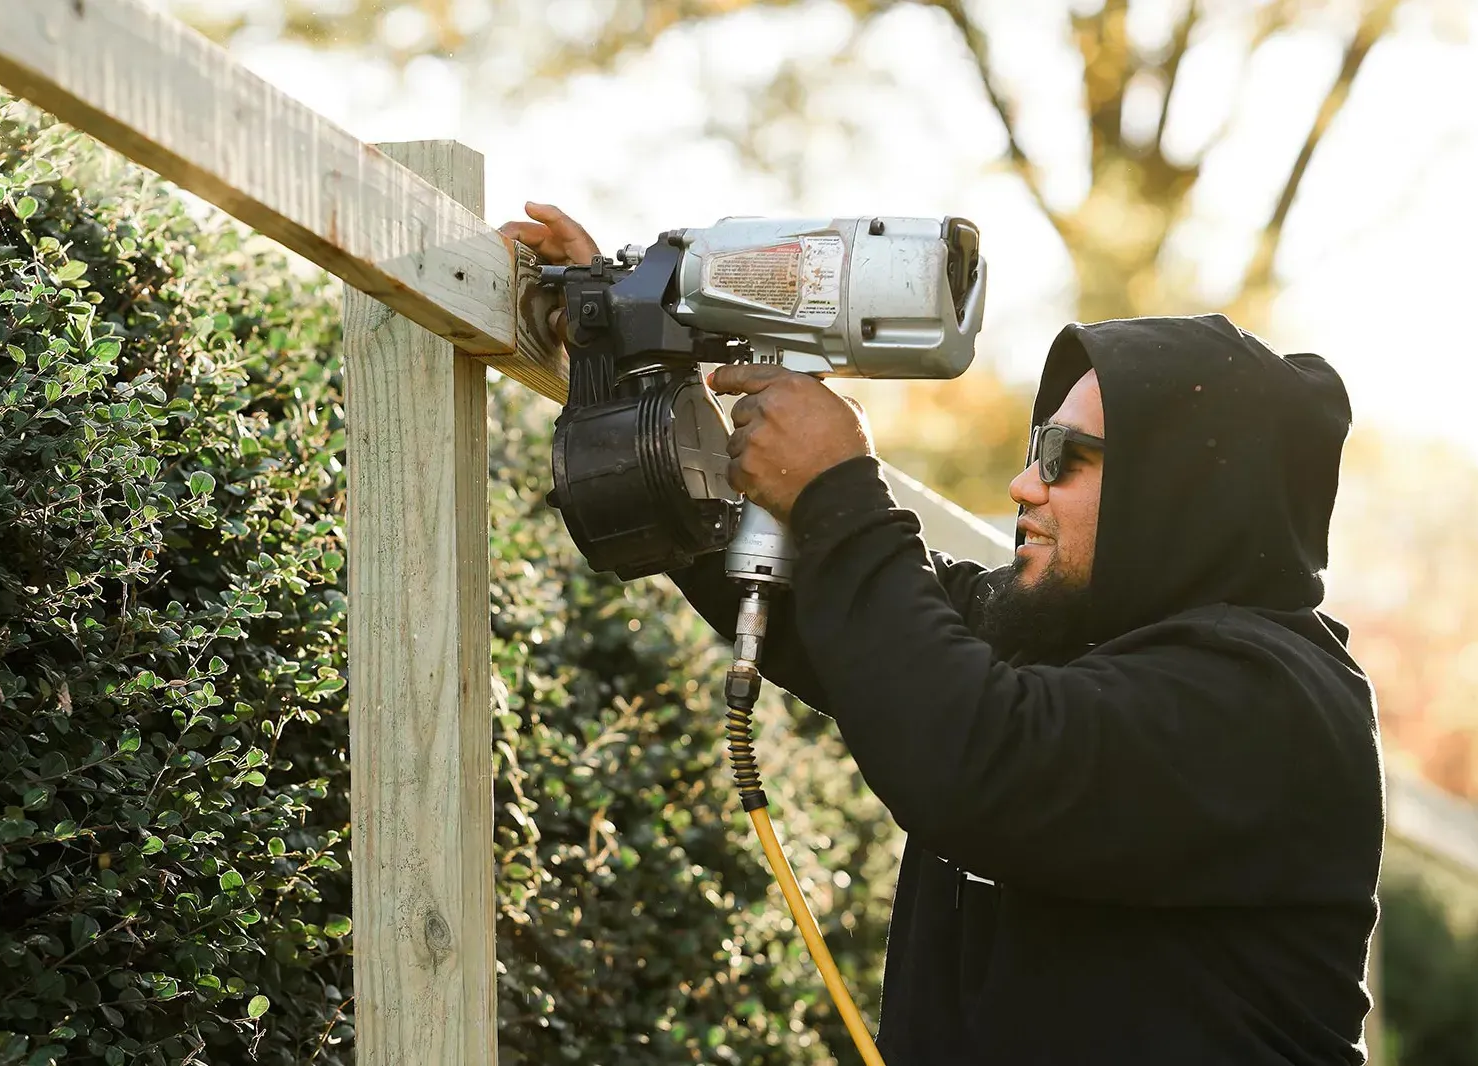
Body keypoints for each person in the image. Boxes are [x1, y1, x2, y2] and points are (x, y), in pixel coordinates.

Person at [502, 204, 1385, 1065]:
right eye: (1038, 446)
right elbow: (858, 629)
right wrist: (622, 351)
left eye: (1065, 458)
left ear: (1185, 492)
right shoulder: (1055, 639)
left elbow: (979, 758)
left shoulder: (1277, 702)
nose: (1023, 485)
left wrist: (839, 488)